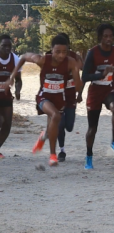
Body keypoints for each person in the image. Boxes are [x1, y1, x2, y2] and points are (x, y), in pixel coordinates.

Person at [8, 35, 82, 166]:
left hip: (60, 98)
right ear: (51, 50)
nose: (61, 55)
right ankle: (53, 155)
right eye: (58, 52)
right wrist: (12, 76)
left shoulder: (70, 62)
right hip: (44, 97)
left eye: (64, 52)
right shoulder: (42, 60)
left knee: (53, 124)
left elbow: (78, 85)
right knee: (55, 115)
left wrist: (77, 80)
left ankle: (43, 136)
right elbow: (24, 56)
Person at [82, 24, 114, 169]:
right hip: (95, 91)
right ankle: (89, 156)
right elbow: (84, 76)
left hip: (109, 89)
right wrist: (100, 75)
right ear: (100, 37)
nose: (108, 39)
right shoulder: (93, 53)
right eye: (105, 36)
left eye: (110, 36)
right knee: (92, 129)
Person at [53, 33, 83, 163]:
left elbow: (82, 74)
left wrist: (80, 94)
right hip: (57, 97)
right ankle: (62, 150)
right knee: (60, 125)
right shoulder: (51, 57)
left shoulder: (74, 58)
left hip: (71, 96)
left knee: (69, 126)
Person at [0, 35, 20, 158]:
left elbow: (18, 80)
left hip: (6, 96)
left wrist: (18, 90)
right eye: (4, 46)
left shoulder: (15, 59)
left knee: (7, 125)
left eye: (9, 46)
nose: (7, 48)